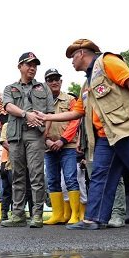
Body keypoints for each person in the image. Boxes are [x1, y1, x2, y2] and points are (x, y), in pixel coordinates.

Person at [38, 39, 129, 230]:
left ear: (81, 53)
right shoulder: (86, 83)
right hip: (106, 136)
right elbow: (78, 111)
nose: (71, 61)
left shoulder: (107, 61)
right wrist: (47, 116)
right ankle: (93, 219)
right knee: (100, 175)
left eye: (72, 57)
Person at [0, 52, 54, 228]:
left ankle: (37, 215)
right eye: (29, 64)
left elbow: (50, 113)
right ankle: (18, 215)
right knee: (17, 175)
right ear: (20, 66)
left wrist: (44, 134)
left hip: (35, 135)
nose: (32, 68)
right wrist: (26, 114)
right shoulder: (10, 88)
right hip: (15, 135)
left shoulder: (43, 88)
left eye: (35, 65)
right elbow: (8, 106)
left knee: (37, 175)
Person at [42, 68, 81, 225]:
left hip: (68, 146)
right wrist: (47, 142)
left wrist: (62, 140)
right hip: (48, 147)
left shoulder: (70, 99)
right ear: (46, 83)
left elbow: (75, 121)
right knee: (52, 180)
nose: (54, 82)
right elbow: (37, 125)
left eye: (57, 79)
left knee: (71, 178)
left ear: (61, 81)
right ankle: (57, 214)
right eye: (50, 79)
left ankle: (75, 215)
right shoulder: (41, 102)